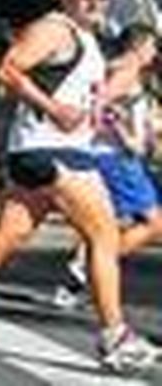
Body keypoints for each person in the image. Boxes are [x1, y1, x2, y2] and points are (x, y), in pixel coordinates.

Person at [0, 0, 156, 373]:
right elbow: (8, 68)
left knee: (8, 236)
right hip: (52, 152)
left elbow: (94, 92)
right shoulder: (55, 29)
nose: (94, 4)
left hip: (41, 152)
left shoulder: (84, 39)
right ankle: (114, 337)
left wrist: (130, 70)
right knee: (103, 234)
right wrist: (52, 108)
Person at [55, 24, 162, 307]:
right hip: (117, 157)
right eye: (152, 47)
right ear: (139, 47)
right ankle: (92, 271)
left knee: (106, 224)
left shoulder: (115, 68)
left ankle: (82, 274)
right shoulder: (125, 71)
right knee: (155, 223)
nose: (154, 53)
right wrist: (125, 133)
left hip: (109, 155)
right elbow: (99, 106)